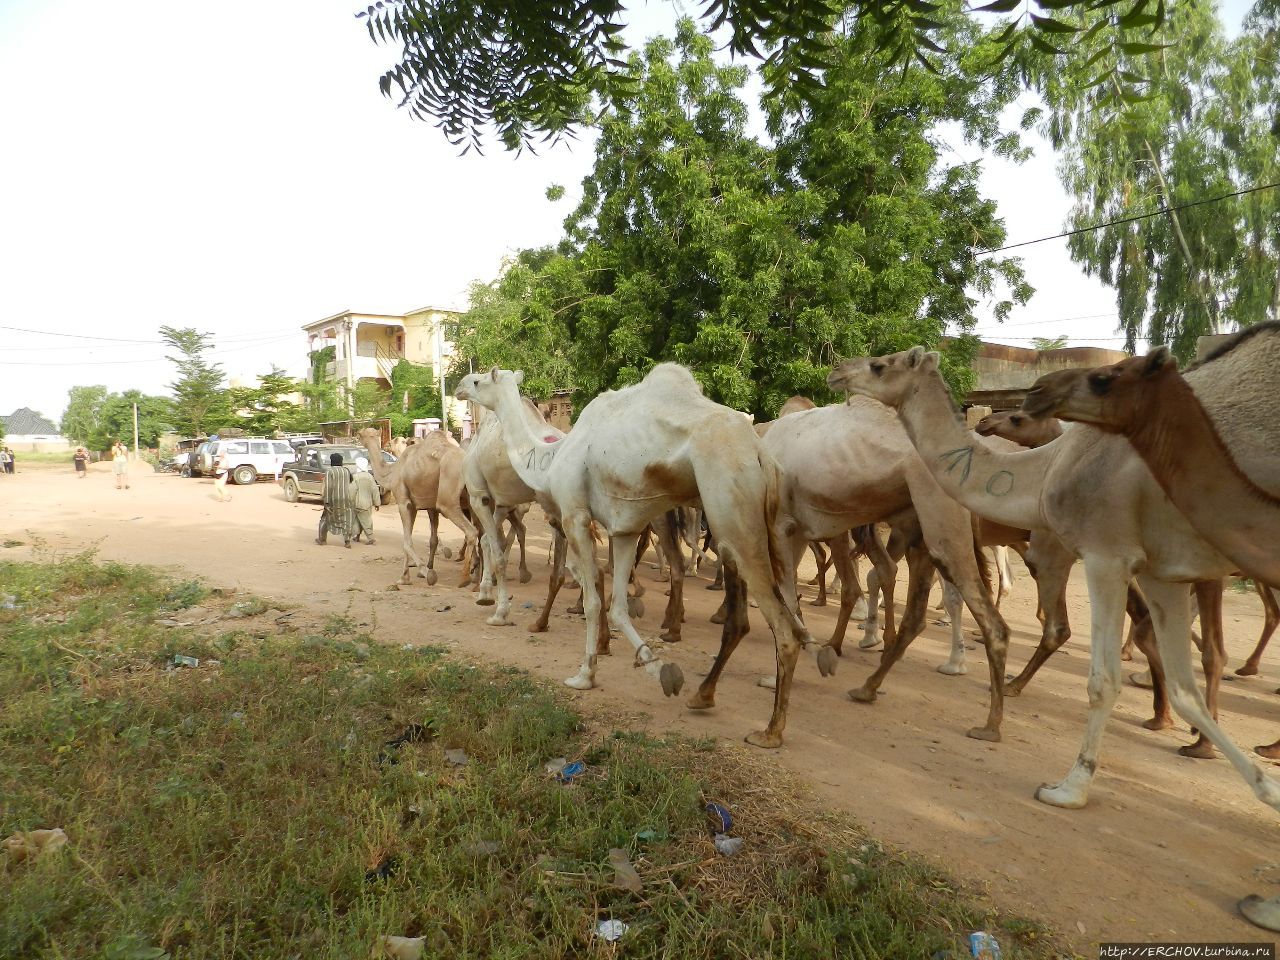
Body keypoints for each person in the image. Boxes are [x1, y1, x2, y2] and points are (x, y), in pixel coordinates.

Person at [317, 452, 354, 548]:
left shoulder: (330, 471)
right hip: (346, 499)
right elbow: (351, 481)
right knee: (346, 520)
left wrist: (327, 501)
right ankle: (347, 541)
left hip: (334, 499)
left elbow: (328, 487)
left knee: (325, 518)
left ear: (332, 461)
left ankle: (322, 539)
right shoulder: (346, 471)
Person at [350, 463, 380, 545]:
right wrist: (377, 503)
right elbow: (375, 490)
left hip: (357, 503)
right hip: (367, 504)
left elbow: (352, 490)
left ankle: (371, 538)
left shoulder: (355, 477)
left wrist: (349, 501)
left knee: (360, 521)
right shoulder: (370, 477)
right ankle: (358, 537)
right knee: (363, 520)